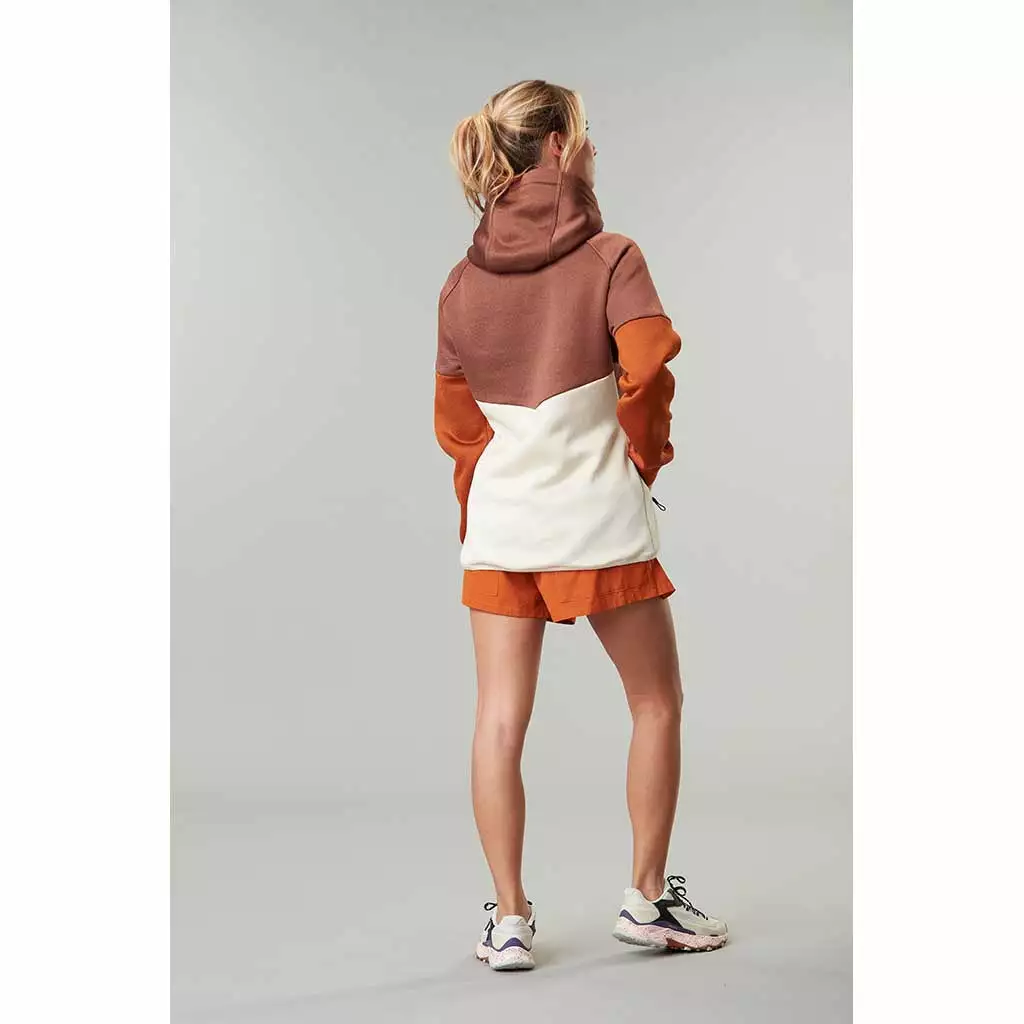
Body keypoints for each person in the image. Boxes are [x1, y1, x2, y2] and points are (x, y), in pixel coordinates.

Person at [434, 79, 728, 972]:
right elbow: (648, 371)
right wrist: (643, 456)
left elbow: (458, 424)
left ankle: (509, 920)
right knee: (656, 701)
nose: (594, 148)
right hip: (597, 515)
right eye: (587, 135)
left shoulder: (459, 286)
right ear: (559, 146)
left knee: (498, 722)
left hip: (503, 526)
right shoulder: (612, 258)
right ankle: (647, 899)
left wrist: (486, 502)